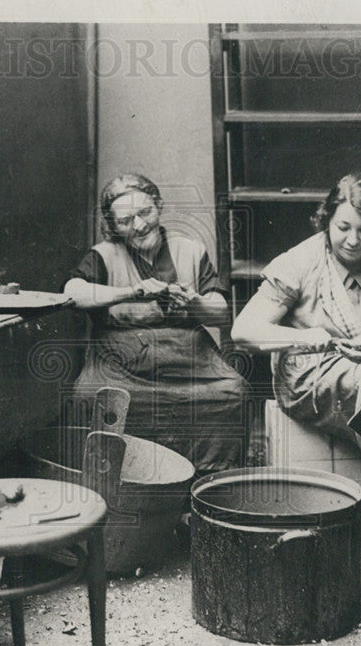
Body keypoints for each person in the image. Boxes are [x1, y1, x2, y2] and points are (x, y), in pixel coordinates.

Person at [64, 173, 248, 474]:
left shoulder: (189, 250)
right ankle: (119, 481)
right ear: (112, 225)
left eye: (145, 212)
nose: (138, 225)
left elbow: (221, 313)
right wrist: (132, 293)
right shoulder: (104, 255)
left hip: (187, 357)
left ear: (159, 205)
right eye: (125, 220)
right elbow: (72, 293)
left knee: (231, 391)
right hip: (120, 361)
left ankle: (203, 481)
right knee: (90, 395)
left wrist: (194, 302)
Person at [231, 173, 361, 454]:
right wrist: (304, 337)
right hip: (308, 375)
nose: (353, 240)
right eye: (343, 227)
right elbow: (242, 331)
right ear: (327, 220)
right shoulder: (300, 261)